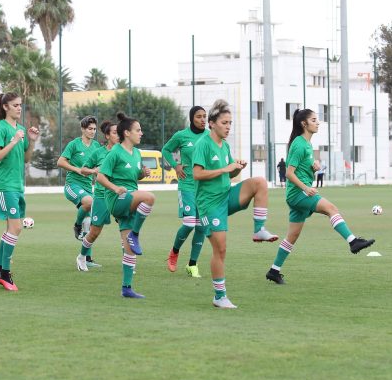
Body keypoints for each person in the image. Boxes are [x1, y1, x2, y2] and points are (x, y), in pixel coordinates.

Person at [265, 109, 375, 285]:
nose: (318, 123)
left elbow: (301, 168)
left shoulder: (306, 144)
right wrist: (306, 188)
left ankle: (274, 271)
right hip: (298, 193)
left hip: (297, 195)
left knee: (292, 237)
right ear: (304, 124)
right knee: (331, 209)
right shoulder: (299, 144)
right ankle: (353, 241)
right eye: (314, 120)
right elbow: (289, 173)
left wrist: (313, 167)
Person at [192, 100, 279, 309]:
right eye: (224, 122)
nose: (228, 126)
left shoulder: (225, 146)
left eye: (230, 122)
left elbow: (230, 173)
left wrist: (237, 169)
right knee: (220, 249)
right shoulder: (203, 144)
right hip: (209, 205)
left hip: (226, 195)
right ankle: (219, 296)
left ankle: (259, 230)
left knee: (259, 182)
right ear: (212, 123)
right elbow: (197, 174)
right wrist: (225, 170)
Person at [96, 112, 154, 299]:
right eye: (138, 130)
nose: (141, 133)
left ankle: (127, 288)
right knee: (150, 198)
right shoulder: (115, 152)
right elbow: (100, 176)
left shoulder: (136, 153)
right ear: (127, 133)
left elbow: (133, 176)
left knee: (129, 252)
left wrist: (142, 174)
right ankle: (135, 235)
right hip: (117, 200)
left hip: (130, 200)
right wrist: (115, 188)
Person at [0, 93, 39, 291]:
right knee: (16, 228)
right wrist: (14, 140)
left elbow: (26, 159)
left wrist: (31, 141)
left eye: (20, 105)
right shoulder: (2, 128)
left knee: (11, 229)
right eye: (15, 105)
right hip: (4, 185)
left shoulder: (20, 130)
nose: (19, 108)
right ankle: (5, 273)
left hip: (17, 186)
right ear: (5, 107)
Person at [162, 105, 208, 277]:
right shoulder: (181, 136)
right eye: (199, 116)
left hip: (204, 188)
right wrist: (176, 165)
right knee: (189, 223)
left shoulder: (210, 136)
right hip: (187, 185)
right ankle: (174, 252)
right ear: (192, 119)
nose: (203, 119)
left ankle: (192, 264)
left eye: (205, 116)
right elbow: (166, 150)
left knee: (202, 226)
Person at [75, 120, 118, 271]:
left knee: (127, 228)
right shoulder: (98, 152)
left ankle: (129, 264)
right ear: (107, 136)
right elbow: (83, 169)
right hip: (101, 196)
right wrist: (94, 171)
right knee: (94, 232)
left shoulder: (125, 151)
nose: (118, 135)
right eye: (114, 132)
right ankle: (82, 257)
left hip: (120, 196)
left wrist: (141, 173)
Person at [57, 116, 101, 244]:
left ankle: (86, 259)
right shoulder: (74, 144)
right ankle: (77, 226)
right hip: (73, 185)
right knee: (88, 202)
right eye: (89, 129)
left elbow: (98, 167)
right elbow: (60, 162)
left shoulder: (96, 146)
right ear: (82, 129)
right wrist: (77, 169)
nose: (92, 131)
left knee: (92, 225)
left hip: (88, 187)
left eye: (94, 129)